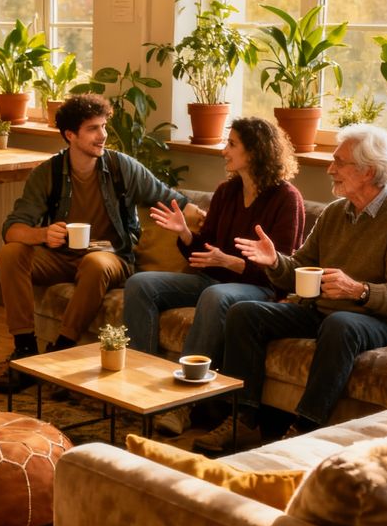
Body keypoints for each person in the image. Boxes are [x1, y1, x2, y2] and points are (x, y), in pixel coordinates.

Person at [196, 123, 387, 453]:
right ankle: (243, 419)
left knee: (341, 325)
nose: (330, 169)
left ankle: (306, 427)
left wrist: (358, 290)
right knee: (245, 313)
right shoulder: (336, 213)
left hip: (384, 320)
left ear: (368, 171)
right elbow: (300, 269)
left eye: (339, 162)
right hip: (324, 311)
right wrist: (274, 262)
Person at [0, 94, 191, 393]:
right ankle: (24, 349)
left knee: (95, 262)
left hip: (112, 258)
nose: (103, 136)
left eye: (104, 126)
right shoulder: (48, 174)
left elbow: (171, 199)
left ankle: (62, 349)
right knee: (11, 254)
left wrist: (207, 221)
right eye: (93, 129)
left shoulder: (122, 167)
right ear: (70, 135)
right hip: (60, 256)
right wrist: (43, 234)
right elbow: (12, 229)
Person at [121, 117, 305, 434]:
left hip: (258, 289)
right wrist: (185, 235)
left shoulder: (287, 199)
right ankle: (143, 384)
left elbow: (282, 271)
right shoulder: (226, 191)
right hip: (215, 279)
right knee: (140, 284)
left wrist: (232, 263)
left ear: (255, 151)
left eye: (232, 144)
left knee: (216, 295)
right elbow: (206, 255)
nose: (224, 150)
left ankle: (182, 403)